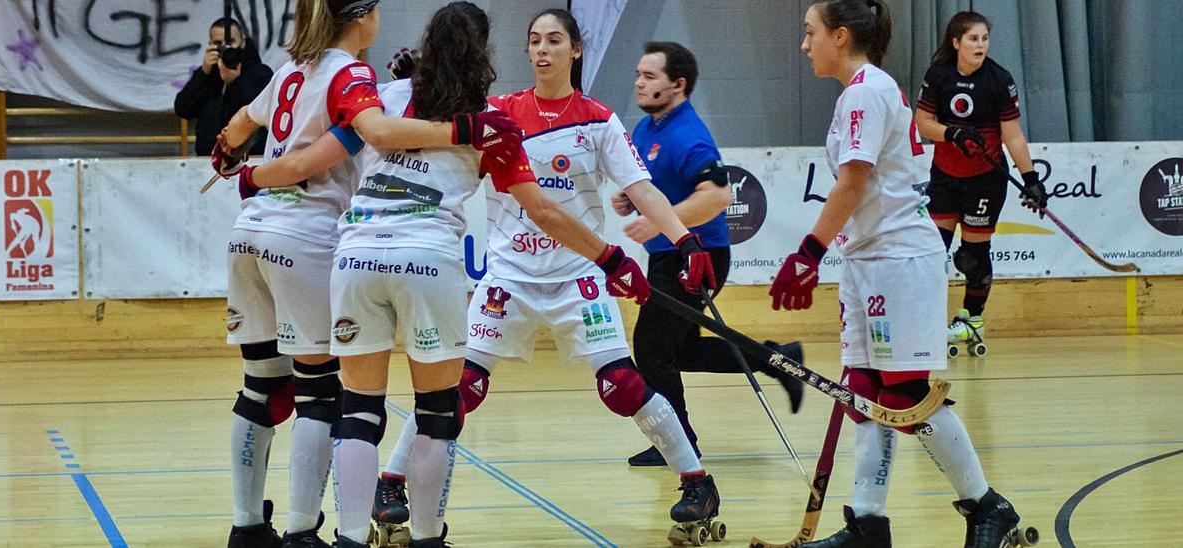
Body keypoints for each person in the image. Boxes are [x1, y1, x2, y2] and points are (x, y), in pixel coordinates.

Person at [228, 3, 661, 546]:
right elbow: (546, 213)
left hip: (356, 256)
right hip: (426, 260)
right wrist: (611, 259)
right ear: (483, 55)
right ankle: (430, 537)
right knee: (436, 413)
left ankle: (350, 538)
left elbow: (325, 147)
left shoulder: (383, 101)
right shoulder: (493, 123)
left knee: (358, 410)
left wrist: (254, 172)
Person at [371, 9, 724, 543]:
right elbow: (433, 122)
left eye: (554, 40)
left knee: (622, 385)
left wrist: (684, 238)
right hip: (508, 276)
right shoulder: (500, 112)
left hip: (576, 273)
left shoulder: (599, 119)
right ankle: (391, 482)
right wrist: (412, 83)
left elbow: (643, 187)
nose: (542, 50)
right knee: (457, 388)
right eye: (534, 40)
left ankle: (696, 481)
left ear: (575, 50)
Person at [211, 1, 521, 546]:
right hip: (310, 231)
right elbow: (357, 142)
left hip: (253, 232)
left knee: (260, 388)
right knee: (321, 396)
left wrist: (232, 156)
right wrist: (469, 128)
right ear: (361, 18)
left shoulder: (291, 70)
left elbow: (238, 124)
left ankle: (248, 524)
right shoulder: (355, 76)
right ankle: (304, 529)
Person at [772, 1, 1031, 546]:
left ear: (840, 36)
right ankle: (868, 522)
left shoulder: (866, 90)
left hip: (898, 260)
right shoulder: (860, 92)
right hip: (868, 259)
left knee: (906, 395)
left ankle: (987, 507)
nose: (804, 44)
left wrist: (807, 252)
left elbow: (854, 180)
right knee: (863, 391)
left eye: (809, 32)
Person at [615, 41, 805, 468]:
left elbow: (718, 195)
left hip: (696, 256)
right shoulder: (648, 128)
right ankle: (780, 360)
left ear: (677, 85)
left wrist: (660, 222)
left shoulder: (689, 135)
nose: (639, 83)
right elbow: (653, 183)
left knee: (650, 350)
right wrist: (631, 201)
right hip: (666, 256)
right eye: (638, 75)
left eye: (649, 76)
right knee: (679, 351)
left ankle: (677, 445)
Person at [914, 11, 1047, 351]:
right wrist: (952, 132)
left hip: (984, 180)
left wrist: (1030, 179)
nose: (980, 45)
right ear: (956, 42)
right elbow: (922, 123)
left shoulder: (999, 80)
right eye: (973, 39)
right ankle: (921, 323)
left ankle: (971, 321)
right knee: (931, 253)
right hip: (944, 176)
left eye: (984, 39)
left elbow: (1012, 135)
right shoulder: (938, 76)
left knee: (973, 256)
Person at [175, 17, 272, 156]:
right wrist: (203, 72)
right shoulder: (208, 75)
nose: (225, 49)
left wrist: (235, 83)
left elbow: (263, 112)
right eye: (218, 43)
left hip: (249, 159)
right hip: (207, 159)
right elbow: (183, 109)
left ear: (242, 43)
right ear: (210, 45)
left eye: (231, 42)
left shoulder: (260, 72)